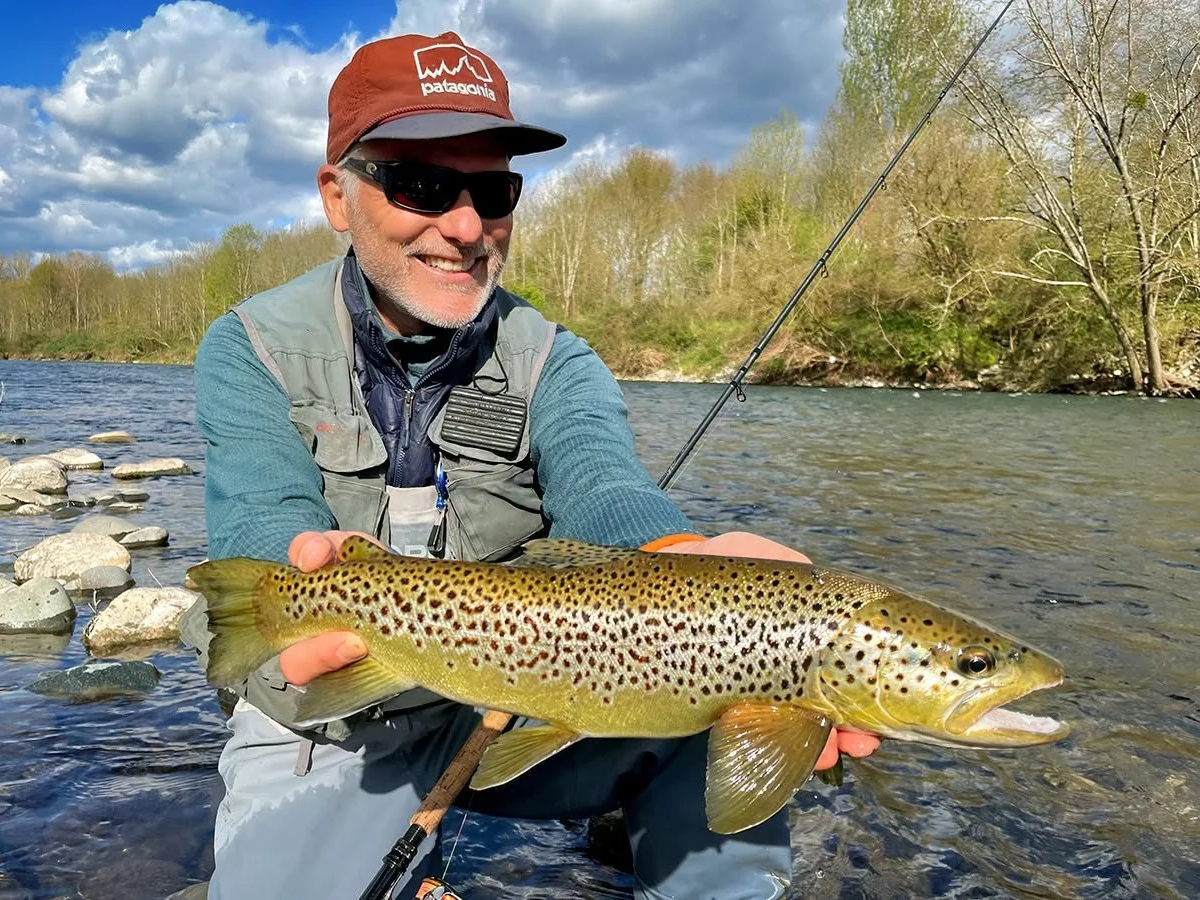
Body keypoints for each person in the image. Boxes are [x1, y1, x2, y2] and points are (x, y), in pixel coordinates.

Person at [182, 30, 880, 900]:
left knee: (740, 699)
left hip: (522, 694)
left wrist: (680, 558)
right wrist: (290, 574)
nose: (468, 227)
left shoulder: (558, 358)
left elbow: (604, 489)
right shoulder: (251, 345)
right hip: (341, 714)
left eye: (494, 190)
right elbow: (258, 515)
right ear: (338, 194)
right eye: (423, 185)